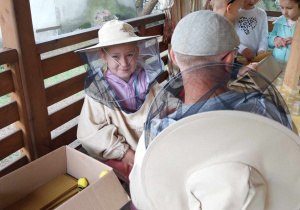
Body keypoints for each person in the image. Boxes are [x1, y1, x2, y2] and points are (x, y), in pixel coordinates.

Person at [129, 10, 296, 209]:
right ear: (228, 59)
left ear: (173, 56)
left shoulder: (156, 134)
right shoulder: (267, 113)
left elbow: (142, 196)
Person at [75, 20, 165, 179]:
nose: (124, 63)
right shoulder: (99, 91)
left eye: (129, 55)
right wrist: (123, 152)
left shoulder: (148, 81)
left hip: (152, 149)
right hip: (122, 154)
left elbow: (165, 108)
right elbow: (89, 133)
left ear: (137, 53)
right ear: (103, 57)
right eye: (115, 57)